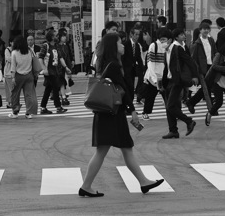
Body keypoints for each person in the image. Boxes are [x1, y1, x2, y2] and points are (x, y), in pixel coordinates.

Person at [77, 33, 165, 198]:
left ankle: (143, 182)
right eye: (120, 43)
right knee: (106, 150)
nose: (123, 46)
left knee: (124, 148)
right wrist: (133, 111)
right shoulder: (114, 66)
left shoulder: (106, 63)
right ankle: (86, 186)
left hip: (107, 114)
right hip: (112, 115)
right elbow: (123, 91)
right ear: (113, 47)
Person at [161, 28, 196, 139]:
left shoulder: (177, 49)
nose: (162, 43)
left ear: (171, 40)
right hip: (168, 81)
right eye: (160, 40)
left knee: (170, 106)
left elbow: (190, 61)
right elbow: (167, 67)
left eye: (164, 40)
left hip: (177, 81)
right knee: (170, 107)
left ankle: (189, 121)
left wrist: (195, 75)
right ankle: (173, 131)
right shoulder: (166, 51)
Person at [186, 20, 216, 115]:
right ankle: (211, 109)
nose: (206, 31)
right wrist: (196, 70)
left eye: (208, 29)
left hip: (211, 66)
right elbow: (193, 58)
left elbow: (215, 52)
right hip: (202, 68)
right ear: (200, 30)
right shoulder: (196, 43)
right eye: (204, 29)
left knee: (207, 88)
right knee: (206, 88)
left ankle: (191, 102)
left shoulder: (211, 40)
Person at [140, 29, 170, 120]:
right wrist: (154, 78)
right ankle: (145, 112)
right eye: (163, 39)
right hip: (154, 76)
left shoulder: (167, 47)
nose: (164, 41)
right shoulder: (154, 46)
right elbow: (150, 63)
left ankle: (171, 112)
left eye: (166, 39)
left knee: (167, 95)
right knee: (150, 96)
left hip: (163, 75)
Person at [8, 36, 38, 119]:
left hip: (18, 75)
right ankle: (29, 113)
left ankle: (15, 111)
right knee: (29, 94)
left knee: (15, 93)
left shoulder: (14, 52)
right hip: (29, 75)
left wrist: (13, 77)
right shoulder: (29, 51)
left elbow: (13, 66)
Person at [40, 31, 69, 115]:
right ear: (52, 37)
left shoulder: (56, 46)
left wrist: (66, 67)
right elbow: (40, 58)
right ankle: (58, 107)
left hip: (55, 71)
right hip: (49, 71)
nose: (57, 37)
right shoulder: (46, 46)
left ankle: (43, 107)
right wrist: (44, 69)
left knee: (48, 89)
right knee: (55, 88)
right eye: (55, 35)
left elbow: (60, 58)